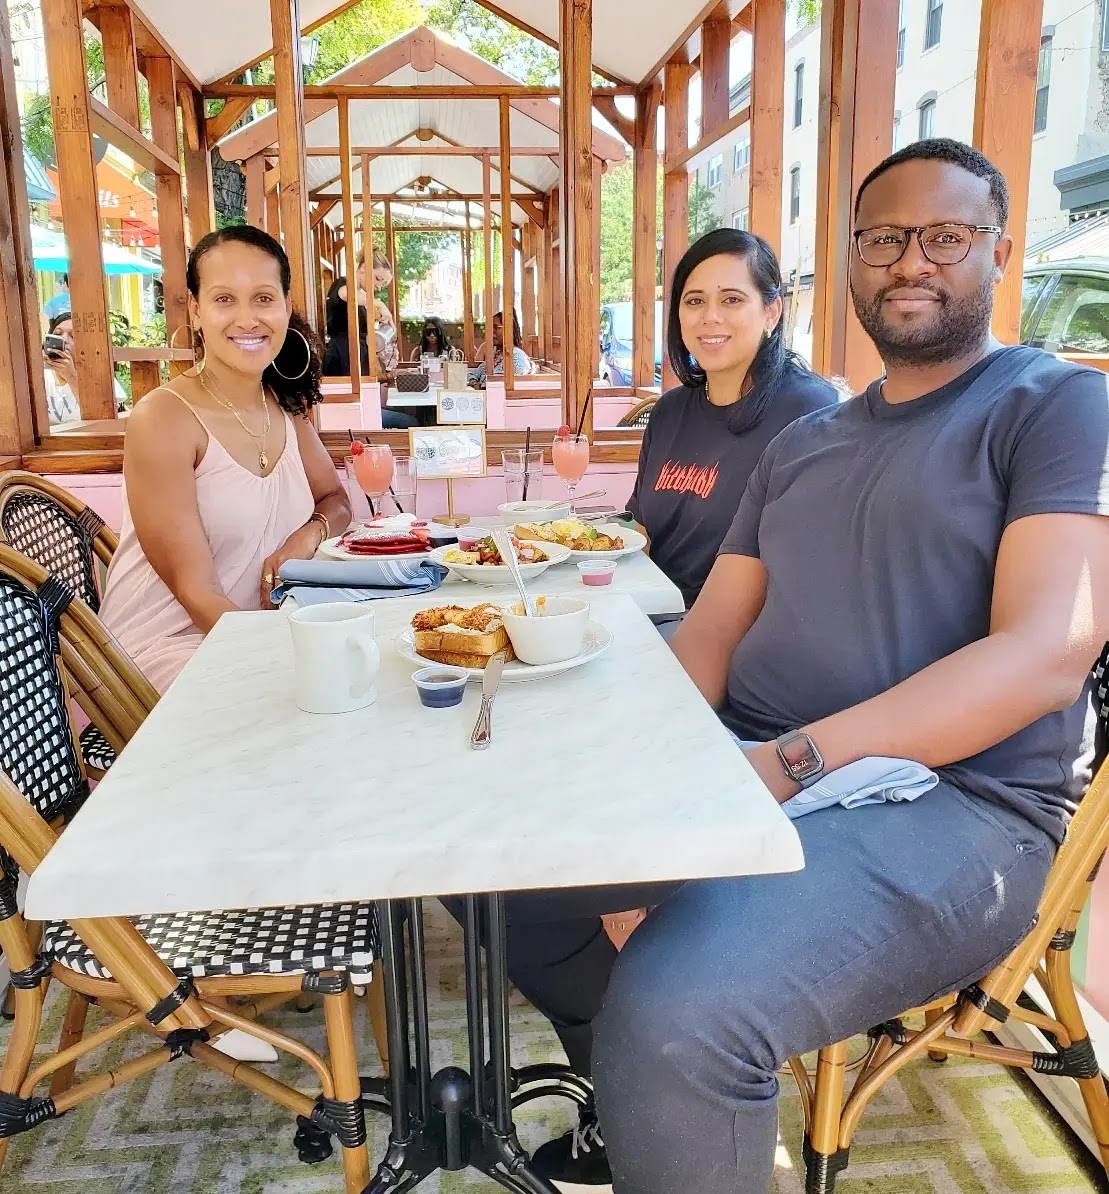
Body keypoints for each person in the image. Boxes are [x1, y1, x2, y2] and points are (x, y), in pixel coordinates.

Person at [586, 139, 1109, 1193]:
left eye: (945, 236)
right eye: (882, 238)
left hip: (956, 804)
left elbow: (1044, 655)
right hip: (755, 756)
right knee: (512, 878)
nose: (909, 260)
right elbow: (710, 631)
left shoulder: (1055, 406)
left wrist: (791, 762)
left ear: (998, 252)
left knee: (680, 1015)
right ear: (849, 259)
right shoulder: (804, 441)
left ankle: (660, 1079)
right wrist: (647, 764)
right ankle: (644, 1122)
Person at [100, 224, 351, 696]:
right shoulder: (164, 418)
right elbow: (197, 594)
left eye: (263, 298)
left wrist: (307, 535)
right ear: (196, 311)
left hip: (255, 632)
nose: (247, 319)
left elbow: (336, 500)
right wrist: (293, 656)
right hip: (171, 651)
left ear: (285, 306)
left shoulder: (283, 406)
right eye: (224, 300)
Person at [628, 228, 837, 611]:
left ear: (771, 313)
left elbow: (810, 567)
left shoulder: (810, 410)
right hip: (653, 617)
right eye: (695, 301)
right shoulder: (669, 411)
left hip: (744, 632)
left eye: (732, 299)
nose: (710, 317)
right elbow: (641, 533)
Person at [43, 311, 126, 424]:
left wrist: (71, 377)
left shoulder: (101, 377)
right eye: (58, 334)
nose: (64, 339)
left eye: (73, 336)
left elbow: (106, 421)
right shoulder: (42, 378)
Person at [322, 249, 393, 376]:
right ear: (364, 267)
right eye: (378, 278)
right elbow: (345, 293)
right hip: (342, 357)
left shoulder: (361, 297)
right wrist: (379, 304)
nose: (378, 287)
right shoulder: (343, 284)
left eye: (382, 285)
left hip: (355, 357)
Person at [470, 310, 532, 385]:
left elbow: (497, 386)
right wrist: (475, 384)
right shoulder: (497, 355)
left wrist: (479, 386)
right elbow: (473, 374)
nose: (491, 331)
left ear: (509, 329)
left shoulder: (516, 357)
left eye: (496, 327)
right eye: (490, 328)